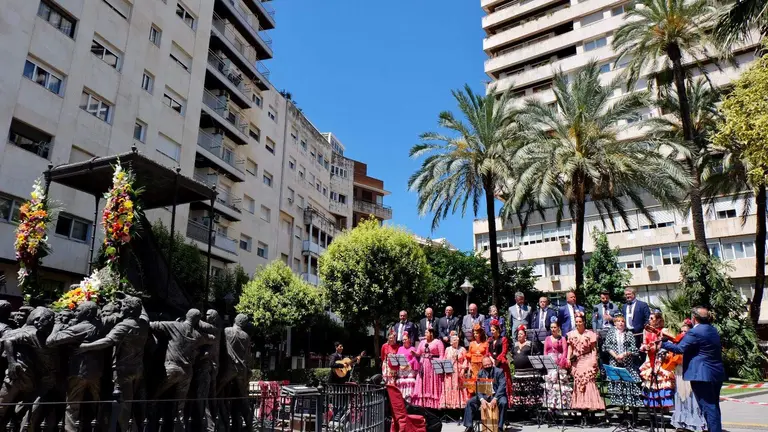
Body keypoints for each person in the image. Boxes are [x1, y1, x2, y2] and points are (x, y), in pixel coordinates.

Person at [662, 307, 726, 432]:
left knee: (708, 407)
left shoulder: (695, 332)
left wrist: (664, 342)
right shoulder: (712, 329)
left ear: (694, 318)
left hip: (702, 374)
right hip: (715, 373)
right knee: (713, 406)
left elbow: (680, 349)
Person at [45, 301, 105, 432]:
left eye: (78, 310)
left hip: (79, 372)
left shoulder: (82, 327)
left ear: (88, 313)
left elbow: (51, 341)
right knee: (95, 404)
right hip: (96, 372)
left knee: (72, 407)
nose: (75, 313)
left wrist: (57, 324)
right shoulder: (101, 325)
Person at [668, 319, 707, 432]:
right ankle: (681, 423)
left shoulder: (694, 342)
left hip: (690, 371)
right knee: (680, 396)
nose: (683, 333)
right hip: (679, 371)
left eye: (686, 331)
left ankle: (694, 424)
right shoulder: (677, 342)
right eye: (681, 331)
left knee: (691, 397)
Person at [566, 312, 605, 415]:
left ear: (584, 322)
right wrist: (568, 359)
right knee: (578, 382)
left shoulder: (590, 334)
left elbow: (593, 349)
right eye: (577, 322)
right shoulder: (571, 334)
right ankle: (581, 410)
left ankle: (591, 409)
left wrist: (593, 360)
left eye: (580, 321)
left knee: (588, 382)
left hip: (587, 358)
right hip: (577, 360)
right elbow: (570, 348)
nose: (578, 323)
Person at [603, 313, 643, 408]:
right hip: (615, 362)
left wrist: (624, 354)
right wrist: (616, 356)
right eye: (618, 321)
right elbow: (607, 346)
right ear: (615, 323)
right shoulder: (611, 333)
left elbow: (634, 348)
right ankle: (622, 411)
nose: (621, 323)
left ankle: (631, 411)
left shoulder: (628, 333)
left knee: (629, 386)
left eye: (622, 321)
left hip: (627, 363)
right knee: (618, 386)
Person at [639, 311, 675, 410]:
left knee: (662, 381)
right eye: (649, 318)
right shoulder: (646, 330)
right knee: (651, 382)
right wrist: (644, 347)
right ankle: (653, 406)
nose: (649, 320)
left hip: (661, 358)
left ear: (658, 320)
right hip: (650, 358)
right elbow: (644, 343)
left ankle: (665, 406)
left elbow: (671, 344)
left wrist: (658, 347)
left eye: (652, 318)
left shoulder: (664, 330)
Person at [462, 356, 508, 432]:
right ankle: (469, 426)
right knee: (470, 402)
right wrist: (482, 399)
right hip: (485, 395)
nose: (487, 366)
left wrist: (495, 398)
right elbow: (478, 388)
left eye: (489, 364)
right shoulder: (480, 373)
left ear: (492, 363)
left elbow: (502, 386)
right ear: (482, 365)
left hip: (497, 395)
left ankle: (500, 427)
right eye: (485, 365)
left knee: (503, 402)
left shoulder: (499, 371)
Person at [543, 320, 572, 410]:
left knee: (559, 385)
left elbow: (565, 351)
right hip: (550, 363)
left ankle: (561, 405)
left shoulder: (562, 338)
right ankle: (551, 405)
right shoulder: (547, 338)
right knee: (550, 384)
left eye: (554, 327)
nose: (553, 329)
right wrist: (546, 361)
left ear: (558, 328)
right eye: (551, 327)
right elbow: (545, 351)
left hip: (559, 363)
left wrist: (561, 362)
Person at [412, 328, 445, 408]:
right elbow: (418, 353)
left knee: (433, 383)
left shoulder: (438, 342)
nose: (425, 334)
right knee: (423, 383)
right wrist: (414, 353)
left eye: (427, 332)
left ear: (431, 333)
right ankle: (423, 403)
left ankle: (434, 405)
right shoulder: (422, 342)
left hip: (433, 364)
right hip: (423, 365)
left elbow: (441, 354)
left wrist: (438, 364)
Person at [510, 325, 541, 407]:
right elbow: (511, 355)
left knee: (528, 392)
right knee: (519, 392)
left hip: (529, 373)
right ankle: (520, 409)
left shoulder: (530, 344)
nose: (519, 335)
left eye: (521, 334)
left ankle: (530, 409)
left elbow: (537, 354)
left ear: (525, 335)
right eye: (518, 334)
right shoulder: (515, 345)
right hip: (518, 373)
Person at [440, 332, 469, 409]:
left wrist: (463, 369)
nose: (456, 342)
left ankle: (458, 404)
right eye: (454, 340)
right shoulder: (447, 349)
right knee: (449, 386)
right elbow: (444, 359)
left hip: (458, 370)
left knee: (458, 386)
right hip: (449, 371)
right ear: (451, 342)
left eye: (457, 340)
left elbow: (466, 360)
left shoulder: (462, 349)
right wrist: (445, 368)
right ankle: (449, 404)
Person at [487, 320, 512, 400]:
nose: (492, 332)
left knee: (503, 381)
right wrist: (491, 359)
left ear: (498, 330)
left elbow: (504, 351)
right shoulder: (490, 340)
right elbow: (488, 351)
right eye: (491, 330)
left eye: (493, 330)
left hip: (501, 364)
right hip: (492, 363)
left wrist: (497, 360)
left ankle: (505, 399)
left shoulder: (503, 339)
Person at [395, 332, 420, 402]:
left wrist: (408, 364)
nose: (404, 341)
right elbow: (397, 358)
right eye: (403, 340)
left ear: (409, 339)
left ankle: (409, 402)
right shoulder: (400, 348)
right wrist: (400, 364)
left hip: (409, 369)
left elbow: (415, 359)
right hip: (401, 369)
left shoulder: (413, 348)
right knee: (401, 384)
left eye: (405, 339)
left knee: (409, 385)